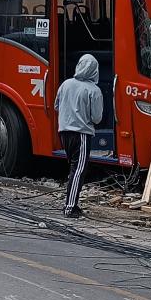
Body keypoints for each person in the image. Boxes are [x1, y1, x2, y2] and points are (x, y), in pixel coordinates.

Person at [54, 53, 103, 218]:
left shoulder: (66, 84)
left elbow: (56, 106)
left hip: (63, 132)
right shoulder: (94, 90)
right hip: (81, 134)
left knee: (73, 169)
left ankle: (71, 202)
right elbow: (97, 118)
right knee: (79, 170)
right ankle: (70, 207)